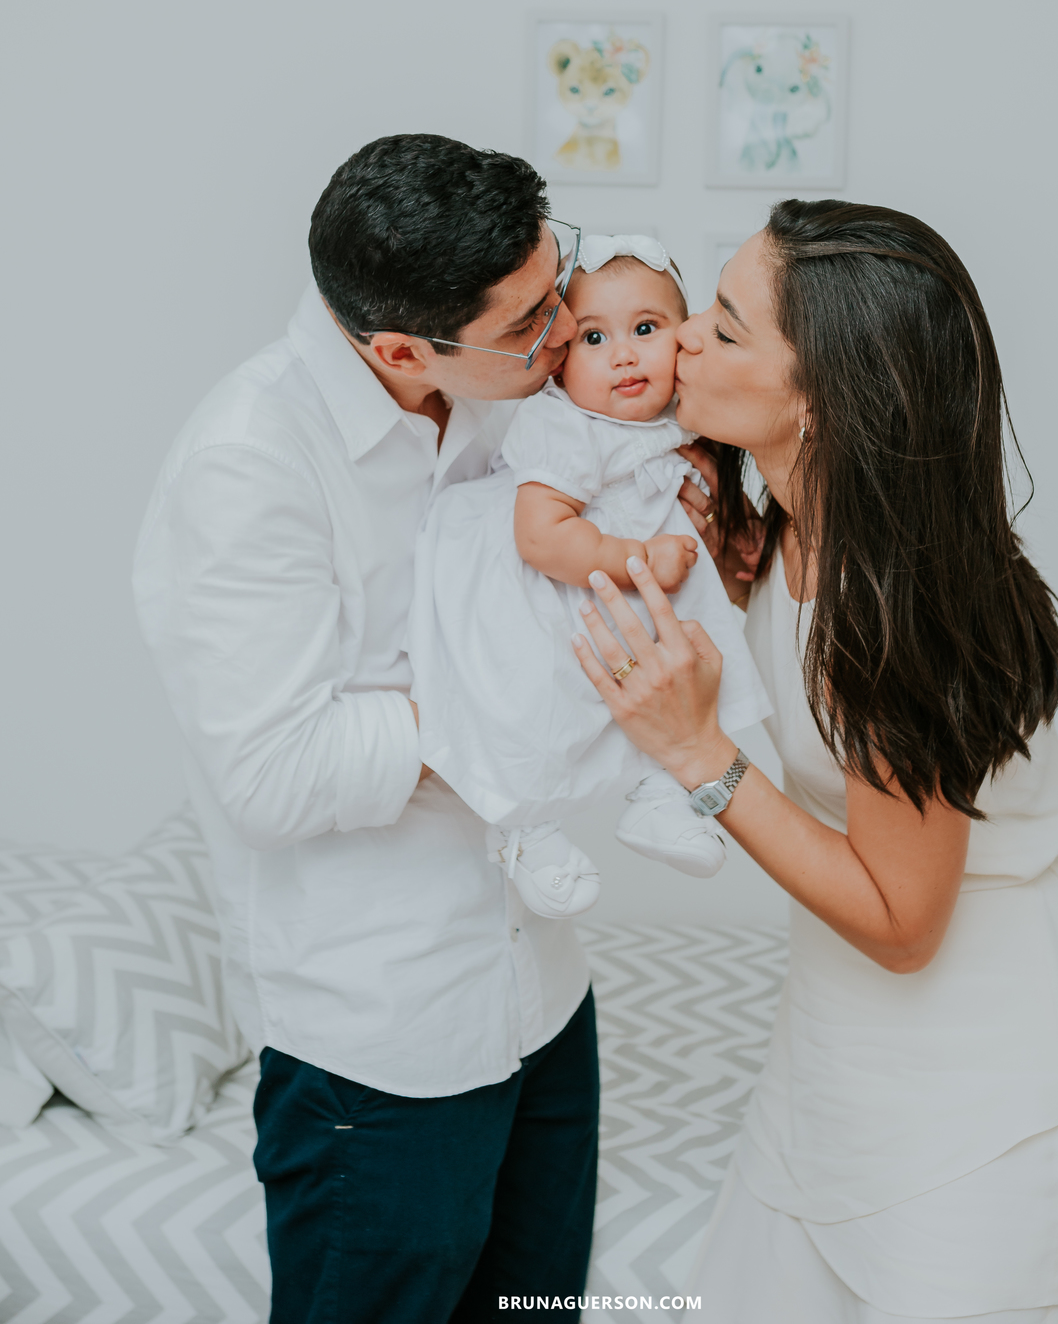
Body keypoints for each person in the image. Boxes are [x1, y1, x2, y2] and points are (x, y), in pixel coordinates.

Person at [132, 135, 710, 1322]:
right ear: (401, 349)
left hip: (542, 994)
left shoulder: (503, 381)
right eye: (531, 324)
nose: (565, 329)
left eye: (566, 277)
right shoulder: (251, 466)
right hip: (384, 1043)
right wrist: (518, 693)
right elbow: (273, 773)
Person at [571, 200, 1058, 1322]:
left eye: (725, 330)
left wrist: (705, 757)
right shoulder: (790, 521)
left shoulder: (897, 611)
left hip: (985, 1057)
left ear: (822, 404)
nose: (681, 335)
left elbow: (902, 922)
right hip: (838, 1035)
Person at [409, 234, 770, 919]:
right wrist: (639, 557)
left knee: (691, 668)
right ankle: (525, 828)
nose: (625, 354)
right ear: (558, 365)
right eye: (595, 339)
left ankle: (662, 797)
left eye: (645, 329)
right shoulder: (563, 426)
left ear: (684, 338)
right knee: (535, 707)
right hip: (548, 589)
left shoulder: (675, 419)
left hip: (625, 593)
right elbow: (542, 536)